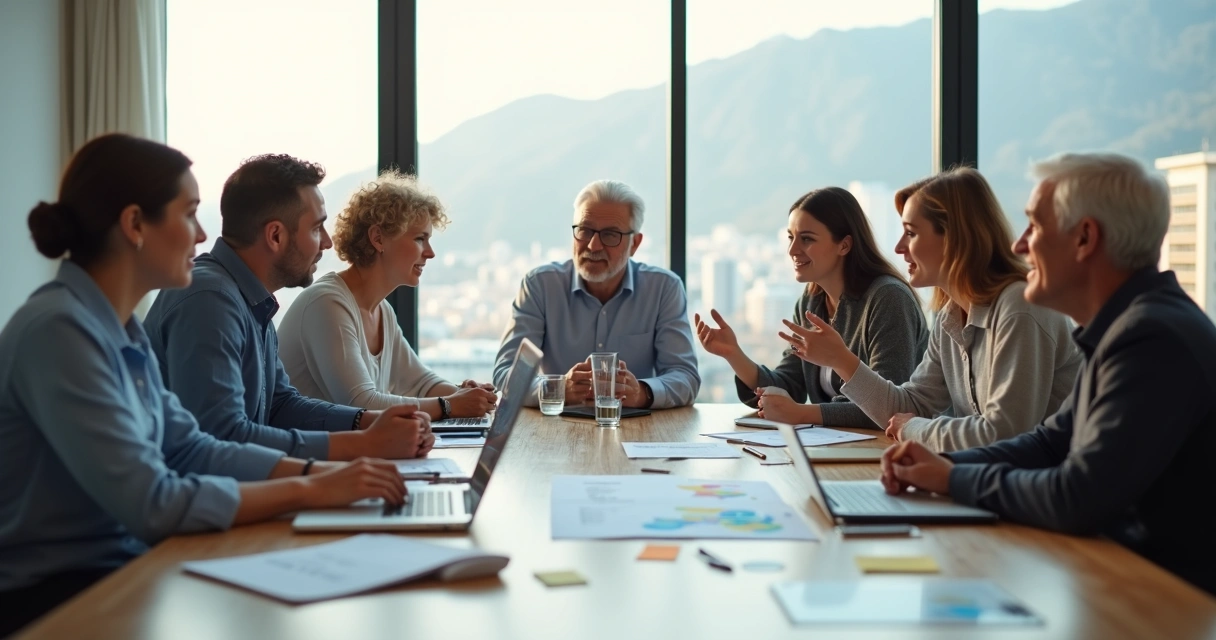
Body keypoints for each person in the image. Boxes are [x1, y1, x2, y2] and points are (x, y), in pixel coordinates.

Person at [0, 134, 411, 637]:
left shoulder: (118, 328)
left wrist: (320, 473)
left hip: (125, 567)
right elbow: (154, 502)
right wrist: (313, 485)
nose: (201, 235)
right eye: (190, 214)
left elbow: (190, 447)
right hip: (59, 596)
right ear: (135, 225)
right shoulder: (60, 331)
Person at [879, 153, 1216, 595]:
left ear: (1085, 238)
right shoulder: (1130, 326)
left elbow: (1077, 496)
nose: (1020, 246)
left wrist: (951, 478)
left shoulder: (1151, 338)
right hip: (1122, 577)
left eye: (1035, 227)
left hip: (1168, 599)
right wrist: (943, 464)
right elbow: (1049, 442)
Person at [144, 154, 434, 461]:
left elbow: (280, 405)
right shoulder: (210, 300)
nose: (327, 243)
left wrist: (368, 422)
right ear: (275, 236)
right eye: (316, 228)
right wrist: (365, 444)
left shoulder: (251, 299)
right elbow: (223, 436)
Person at [776, 168, 1081, 451]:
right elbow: (910, 404)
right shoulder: (951, 316)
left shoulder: (1020, 307)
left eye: (911, 233)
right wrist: (841, 361)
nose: (899, 247)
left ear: (954, 238)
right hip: (993, 476)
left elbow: (1002, 434)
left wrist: (913, 429)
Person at [695, 187, 928, 428]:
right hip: (837, 443)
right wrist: (733, 354)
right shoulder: (810, 303)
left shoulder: (889, 299)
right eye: (790, 237)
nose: (792, 250)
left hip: (894, 445)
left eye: (806, 239)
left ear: (844, 245)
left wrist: (801, 414)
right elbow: (790, 386)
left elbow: (888, 407)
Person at [278, 170, 496, 418]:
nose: (430, 252)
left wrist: (466, 395)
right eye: (420, 239)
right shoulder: (327, 304)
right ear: (378, 238)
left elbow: (421, 383)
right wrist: (450, 404)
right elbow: (361, 404)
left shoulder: (381, 310)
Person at [493, 180, 700, 408]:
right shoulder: (540, 286)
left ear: (635, 244)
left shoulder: (663, 289)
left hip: (635, 426)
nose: (593, 246)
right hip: (557, 426)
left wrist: (641, 393)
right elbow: (506, 374)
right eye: (585, 230)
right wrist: (559, 389)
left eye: (610, 235)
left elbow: (685, 376)